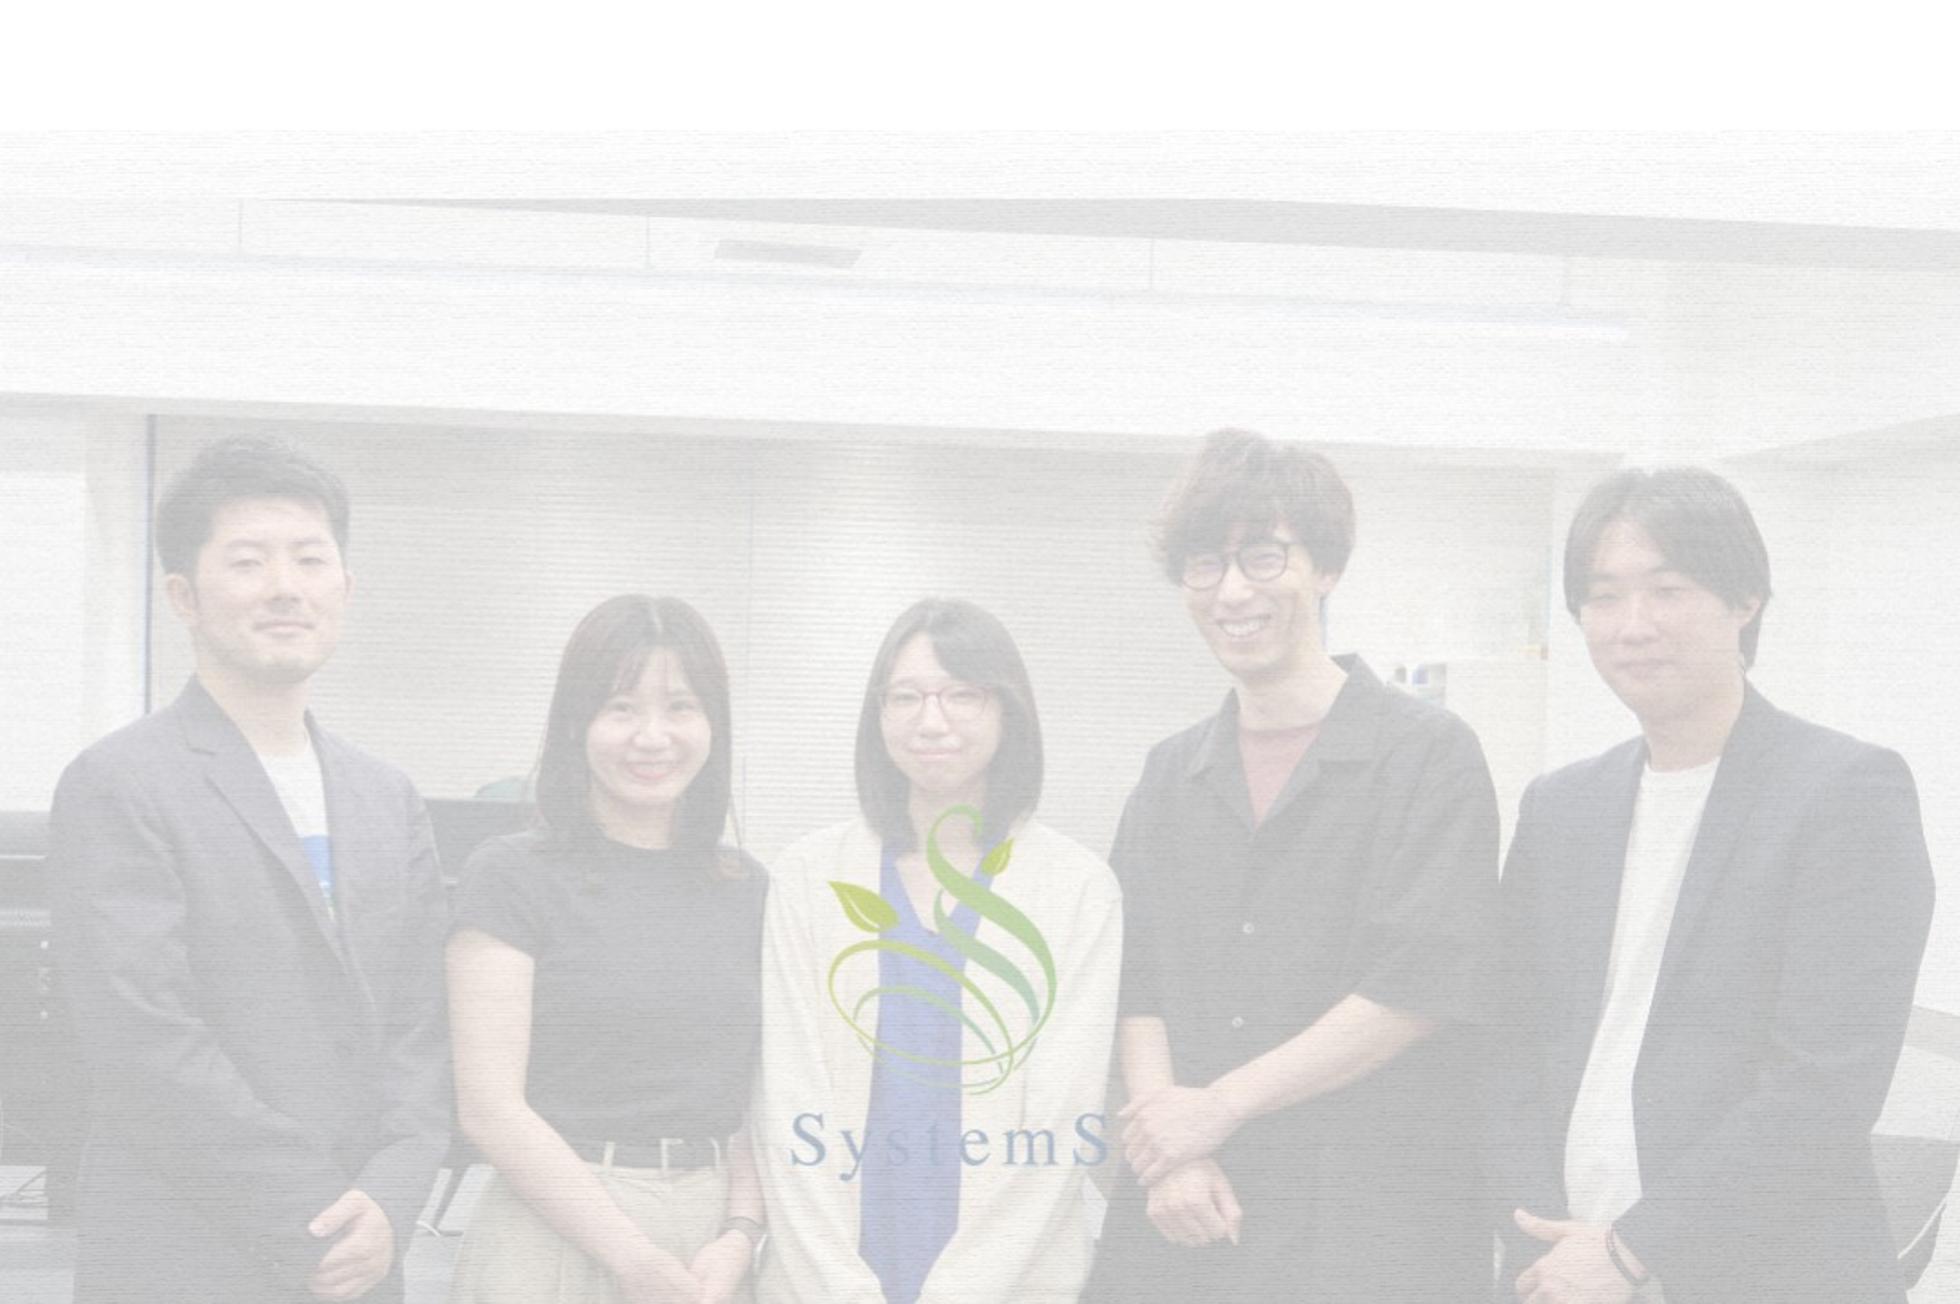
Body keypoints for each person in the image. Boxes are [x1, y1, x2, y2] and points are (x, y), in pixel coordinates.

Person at [1488, 467, 1934, 1304]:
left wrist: (1630, 1252)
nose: (1633, 626)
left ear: (1744, 601)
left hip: (1765, 1272)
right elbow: (1509, 1040)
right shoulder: (1561, 807)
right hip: (1564, 1264)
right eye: (1604, 597)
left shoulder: (1844, 792)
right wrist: (1538, 1236)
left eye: (1668, 590)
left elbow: (1824, 1085)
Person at [1085, 428, 1501, 1302]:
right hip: (1187, 1216)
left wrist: (1218, 1107)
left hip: (1367, 1224)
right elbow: (1135, 979)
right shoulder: (1170, 774)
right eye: (1205, 564)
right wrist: (1167, 1152)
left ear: (1326, 567)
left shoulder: (1428, 755)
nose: (1232, 590)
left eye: (1263, 557)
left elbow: (1418, 985)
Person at [49, 436, 450, 1304]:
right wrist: (314, 1215)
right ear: (183, 597)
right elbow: (144, 1042)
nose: (285, 586)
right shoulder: (120, 783)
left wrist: (391, 1197)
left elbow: (422, 1028)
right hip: (183, 1252)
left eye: (310, 558)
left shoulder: (387, 796)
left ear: (345, 586)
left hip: (363, 1256)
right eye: (247, 561)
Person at [751, 598, 1122, 1304]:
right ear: (878, 714)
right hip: (826, 1275)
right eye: (906, 696)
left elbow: (1062, 1120)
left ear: (1008, 711)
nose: (931, 720)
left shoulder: (1077, 888)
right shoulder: (807, 877)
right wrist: (842, 1289)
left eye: (962, 695)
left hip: (1013, 1278)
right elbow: (785, 1099)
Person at [446, 594, 768, 1304]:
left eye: (680, 707)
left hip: (711, 1245)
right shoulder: (510, 875)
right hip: (554, 1227)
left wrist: (742, 1234)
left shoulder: (748, 887)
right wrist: (634, 1257)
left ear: (713, 725)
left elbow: (762, 1097)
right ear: (576, 723)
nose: (652, 736)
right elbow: (490, 1109)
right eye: (621, 708)